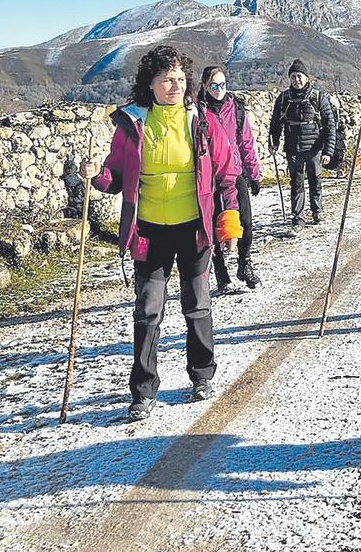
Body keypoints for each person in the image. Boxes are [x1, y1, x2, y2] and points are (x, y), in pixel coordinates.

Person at [80, 45, 243, 422]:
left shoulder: (200, 120)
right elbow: (115, 177)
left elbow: (227, 174)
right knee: (148, 311)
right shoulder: (133, 125)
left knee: (197, 305)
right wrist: (96, 175)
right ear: (150, 84)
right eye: (166, 78)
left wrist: (228, 222)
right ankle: (142, 391)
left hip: (193, 229)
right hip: (149, 232)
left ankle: (201, 376)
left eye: (180, 78)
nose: (175, 84)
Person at [199, 65, 263, 292]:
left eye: (222, 85)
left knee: (245, 223)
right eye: (214, 85)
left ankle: (244, 264)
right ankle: (221, 274)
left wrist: (253, 174)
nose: (219, 90)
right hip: (209, 178)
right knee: (214, 226)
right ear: (205, 86)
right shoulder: (198, 112)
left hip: (236, 174)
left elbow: (246, 142)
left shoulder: (236, 108)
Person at [268, 59, 334, 233]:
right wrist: (273, 142)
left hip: (314, 148)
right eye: (293, 76)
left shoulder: (318, 97)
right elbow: (275, 123)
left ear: (306, 77)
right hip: (293, 148)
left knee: (315, 180)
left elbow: (330, 125)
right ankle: (298, 217)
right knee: (296, 183)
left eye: (300, 76)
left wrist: (328, 150)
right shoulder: (284, 99)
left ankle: (317, 211)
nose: (296, 80)